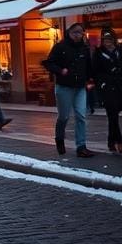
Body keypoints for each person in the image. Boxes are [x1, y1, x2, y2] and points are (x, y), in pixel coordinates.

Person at [43, 23, 94, 157]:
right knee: (64, 117)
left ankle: (81, 146)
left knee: (81, 116)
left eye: (80, 32)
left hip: (80, 87)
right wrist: (60, 71)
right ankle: (59, 139)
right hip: (64, 87)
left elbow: (88, 66)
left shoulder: (84, 48)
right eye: (74, 32)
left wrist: (90, 80)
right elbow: (48, 63)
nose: (77, 35)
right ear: (69, 32)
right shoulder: (60, 47)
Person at [92, 31, 122, 153]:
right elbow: (96, 71)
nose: (108, 43)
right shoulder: (99, 53)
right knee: (112, 114)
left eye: (110, 40)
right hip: (107, 86)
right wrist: (101, 82)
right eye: (106, 40)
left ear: (114, 41)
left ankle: (111, 142)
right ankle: (120, 143)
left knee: (114, 115)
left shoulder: (119, 51)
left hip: (120, 85)